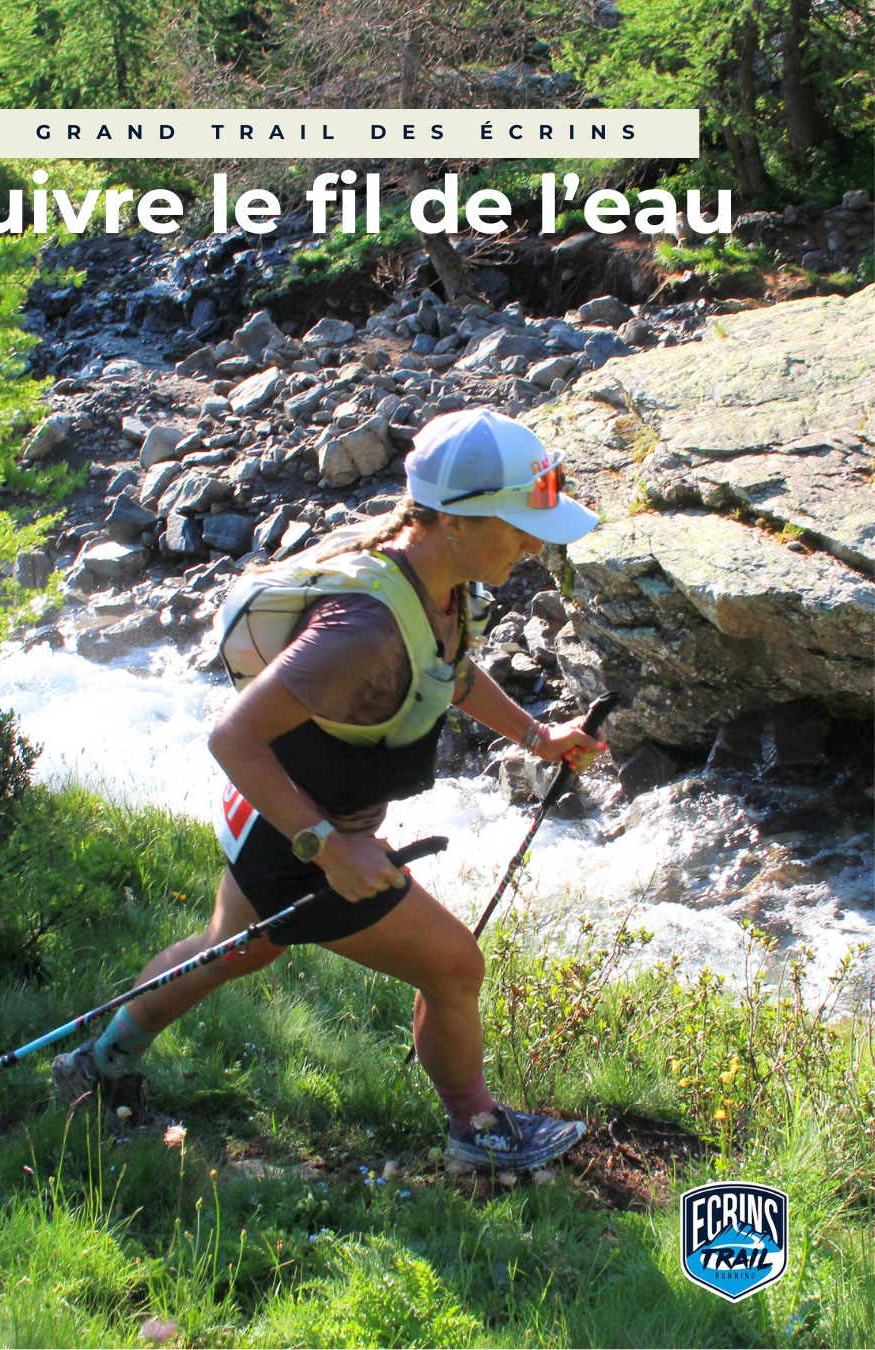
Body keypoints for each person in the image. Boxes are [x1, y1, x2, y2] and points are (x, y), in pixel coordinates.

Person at [53, 407, 606, 1170]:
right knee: (453, 966)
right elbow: (232, 737)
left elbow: (449, 672)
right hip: (298, 833)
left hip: (281, 819)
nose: (533, 542)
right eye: (517, 522)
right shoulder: (363, 627)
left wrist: (538, 737)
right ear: (452, 519)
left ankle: (96, 1067)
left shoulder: (438, 584)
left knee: (230, 951)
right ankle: (476, 1132)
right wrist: (329, 847)